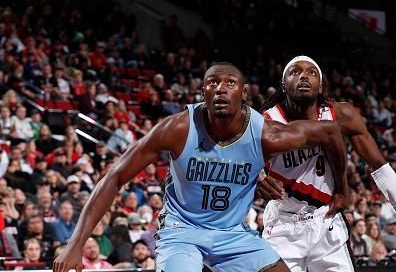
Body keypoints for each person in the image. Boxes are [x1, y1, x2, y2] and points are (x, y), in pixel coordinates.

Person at [53, 62, 347, 272]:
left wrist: (342, 190)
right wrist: (76, 243)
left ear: (243, 93)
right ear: (202, 92)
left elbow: (332, 132)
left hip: (232, 233)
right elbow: (116, 177)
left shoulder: (266, 133)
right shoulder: (177, 128)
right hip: (182, 231)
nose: (220, 88)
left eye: (230, 83)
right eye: (212, 83)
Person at [258, 55, 396, 271]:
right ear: (284, 85)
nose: (303, 75)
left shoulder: (343, 115)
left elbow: (379, 166)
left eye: (311, 72)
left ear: (321, 86)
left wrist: (343, 188)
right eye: (295, 72)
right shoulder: (265, 123)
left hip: (326, 220)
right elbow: (239, 162)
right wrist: (257, 179)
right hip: (284, 222)